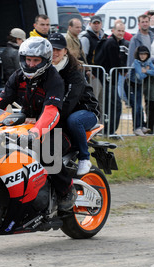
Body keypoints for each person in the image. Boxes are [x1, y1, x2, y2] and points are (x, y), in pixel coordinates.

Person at [0, 36, 77, 223]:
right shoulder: (18, 77)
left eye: (36, 60)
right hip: (29, 126)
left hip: (57, 128)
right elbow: (0, 102)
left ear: (45, 61)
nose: (30, 64)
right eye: (28, 60)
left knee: (46, 154)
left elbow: (51, 110)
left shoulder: (53, 79)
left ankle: (66, 190)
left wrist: (37, 132)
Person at [49, 33, 99, 175]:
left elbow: (69, 101)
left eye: (58, 49)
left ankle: (84, 157)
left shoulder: (73, 71)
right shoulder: (45, 69)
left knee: (74, 120)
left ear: (65, 51)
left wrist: (48, 118)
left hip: (86, 110)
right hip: (62, 111)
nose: (54, 53)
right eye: (51, 49)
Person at [99, 21, 127, 135]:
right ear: (113, 31)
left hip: (110, 79)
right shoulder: (112, 43)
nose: (121, 33)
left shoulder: (113, 42)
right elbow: (114, 61)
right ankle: (110, 130)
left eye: (122, 31)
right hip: (109, 79)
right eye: (119, 30)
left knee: (112, 105)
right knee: (114, 106)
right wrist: (122, 70)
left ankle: (110, 130)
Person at [127, 45, 154, 136]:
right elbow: (139, 75)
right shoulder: (136, 62)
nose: (143, 56)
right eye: (141, 54)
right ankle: (136, 127)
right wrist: (147, 72)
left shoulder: (148, 61)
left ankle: (141, 126)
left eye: (145, 54)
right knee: (136, 107)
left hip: (139, 85)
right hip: (131, 85)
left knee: (140, 106)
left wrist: (146, 71)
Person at [80, 15, 106, 109]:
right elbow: (83, 56)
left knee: (102, 102)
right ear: (90, 24)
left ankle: (102, 123)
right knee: (93, 101)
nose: (96, 25)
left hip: (102, 74)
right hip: (93, 75)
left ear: (101, 24)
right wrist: (88, 70)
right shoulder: (86, 38)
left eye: (98, 23)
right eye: (94, 23)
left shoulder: (104, 37)